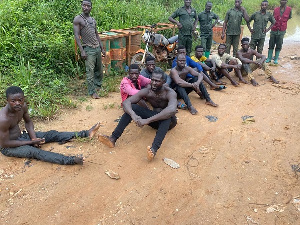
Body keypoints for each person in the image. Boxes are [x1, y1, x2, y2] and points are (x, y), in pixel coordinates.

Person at [0, 86, 101, 165]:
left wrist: (34, 138)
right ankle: (70, 160)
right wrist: (30, 142)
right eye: (13, 101)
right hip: (9, 147)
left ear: (23, 99)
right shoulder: (3, 119)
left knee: (52, 134)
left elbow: (28, 122)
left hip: (21, 136)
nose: (17, 103)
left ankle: (86, 133)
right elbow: (5, 143)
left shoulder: (23, 107)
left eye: (20, 100)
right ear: (7, 101)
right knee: (35, 152)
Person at [98, 71, 177, 162]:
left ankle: (153, 150)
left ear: (163, 81)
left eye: (157, 81)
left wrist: (147, 120)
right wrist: (134, 115)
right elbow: (126, 102)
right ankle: (113, 138)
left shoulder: (170, 92)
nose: (154, 83)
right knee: (134, 107)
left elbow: (171, 110)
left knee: (166, 115)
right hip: (155, 121)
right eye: (152, 80)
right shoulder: (147, 91)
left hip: (169, 123)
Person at [73, 0, 105, 99]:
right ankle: (92, 92)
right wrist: (82, 50)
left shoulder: (92, 20)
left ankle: (98, 86)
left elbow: (96, 34)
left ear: (91, 7)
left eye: (88, 6)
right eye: (84, 5)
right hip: (88, 48)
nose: (85, 7)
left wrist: (101, 47)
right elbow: (77, 36)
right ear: (81, 6)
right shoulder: (78, 19)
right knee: (90, 71)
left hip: (96, 48)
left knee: (99, 70)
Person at [266, 0, 292, 64]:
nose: (282, 1)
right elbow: (272, 19)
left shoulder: (289, 9)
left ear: (287, 1)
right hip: (274, 29)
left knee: (279, 44)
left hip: (282, 30)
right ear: (280, 1)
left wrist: (283, 22)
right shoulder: (275, 9)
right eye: (281, 0)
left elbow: (289, 17)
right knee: (271, 44)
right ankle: (269, 58)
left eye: (284, 0)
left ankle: (276, 59)